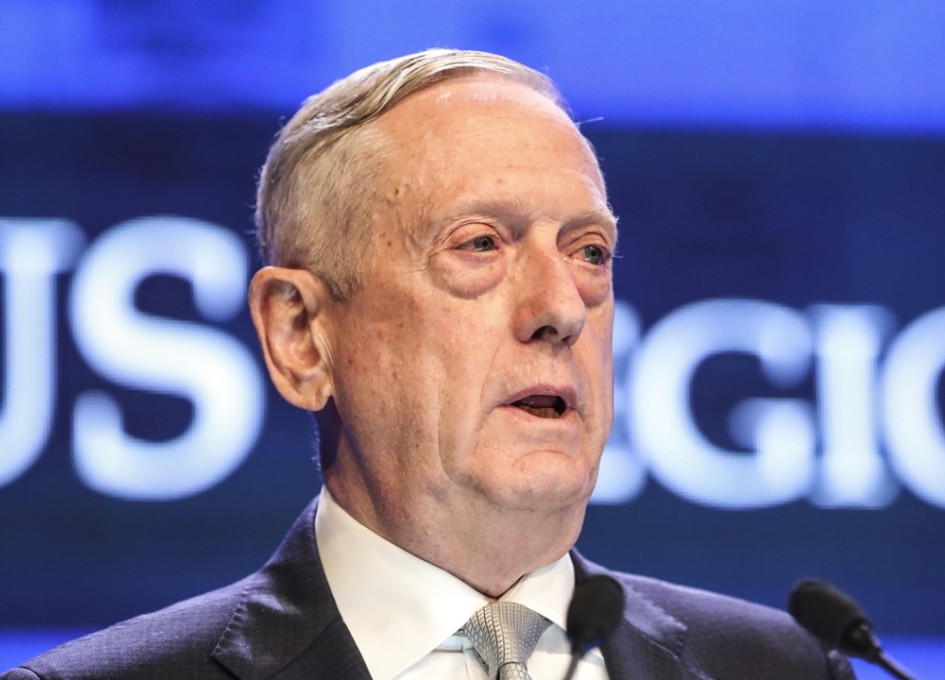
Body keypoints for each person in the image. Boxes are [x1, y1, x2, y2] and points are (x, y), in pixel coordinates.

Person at [1, 49, 854, 680]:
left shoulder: (782, 667)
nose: (562, 308)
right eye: (480, 245)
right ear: (302, 336)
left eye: (589, 252)